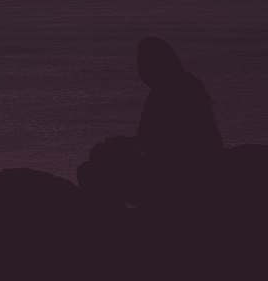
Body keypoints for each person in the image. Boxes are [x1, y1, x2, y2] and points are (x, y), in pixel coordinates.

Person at [78, 37, 223, 208]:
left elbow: (159, 144)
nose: (140, 70)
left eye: (143, 63)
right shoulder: (182, 86)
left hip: (175, 174)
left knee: (92, 171)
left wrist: (121, 146)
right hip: (182, 167)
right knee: (101, 158)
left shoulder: (169, 92)